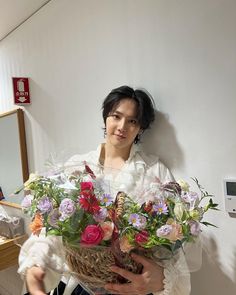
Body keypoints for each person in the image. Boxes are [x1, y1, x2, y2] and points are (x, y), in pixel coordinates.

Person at [18, 85, 192, 295]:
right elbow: (52, 228)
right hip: (80, 285)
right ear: (105, 117)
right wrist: (36, 264)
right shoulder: (77, 168)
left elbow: (173, 238)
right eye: (116, 116)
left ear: (141, 128)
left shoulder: (154, 172)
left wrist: (161, 280)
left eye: (132, 121)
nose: (122, 126)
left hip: (130, 288)